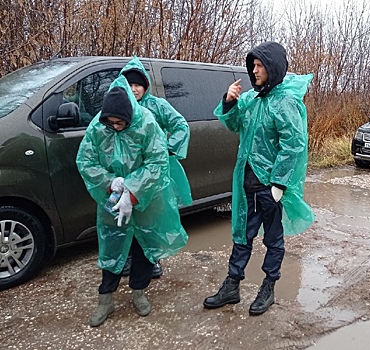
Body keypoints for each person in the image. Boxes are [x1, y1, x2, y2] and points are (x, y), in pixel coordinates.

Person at [203, 41, 314, 316]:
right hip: (246, 183)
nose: (254, 71)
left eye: (259, 65)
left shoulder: (285, 103)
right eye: (253, 65)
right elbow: (234, 124)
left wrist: (279, 182)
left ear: (272, 68)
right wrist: (229, 102)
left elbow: (294, 145)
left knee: (273, 240)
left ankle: (269, 286)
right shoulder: (252, 99)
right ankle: (232, 285)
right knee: (242, 234)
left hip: (269, 187)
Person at [76, 75, 188, 327]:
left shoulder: (147, 124)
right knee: (111, 243)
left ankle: (139, 291)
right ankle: (105, 298)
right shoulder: (98, 127)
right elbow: (85, 161)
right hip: (112, 195)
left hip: (147, 195)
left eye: (120, 123)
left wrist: (134, 190)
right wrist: (111, 182)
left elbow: (157, 162)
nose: (115, 126)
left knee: (144, 245)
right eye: (111, 122)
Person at [119, 56, 192, 279]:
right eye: (129, 85)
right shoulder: (119, 107)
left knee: (152, 216)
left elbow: (181, 125)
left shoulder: (156, 106)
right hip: (128, 173)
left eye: (138, 85)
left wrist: (168, 149)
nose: (134, 89)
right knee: (128, 216)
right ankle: (130, 258)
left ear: (145, 86)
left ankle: (154, 259)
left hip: (153, 174)